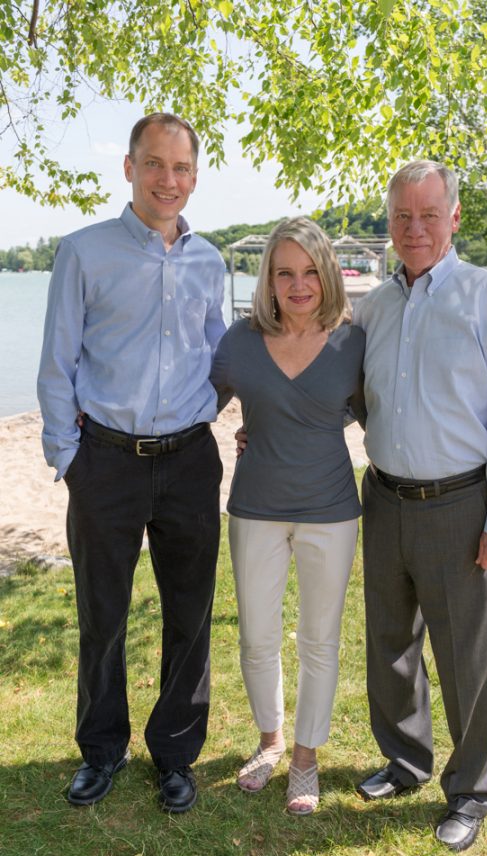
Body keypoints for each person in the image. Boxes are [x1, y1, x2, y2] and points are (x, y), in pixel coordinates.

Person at [37, 113, 226, 814]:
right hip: (105, 464)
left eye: (181, 168)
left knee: (189, 615)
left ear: (195, 176)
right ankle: (102, 750)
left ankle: (175, 754)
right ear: (129, 168)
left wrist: (222, 415)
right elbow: (57, 363)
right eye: (155, 164)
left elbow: (220, 355)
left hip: (188, 462)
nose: (167, 180)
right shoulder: (83, 252)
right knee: (103, 615)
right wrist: (69, 457)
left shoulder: (210, 261)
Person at [353, 160, 487, 851]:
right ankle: (405, 761)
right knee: (390, 643)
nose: (415, 229)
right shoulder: (374, 306)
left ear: (454, 218)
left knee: (467, 657)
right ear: (390, 222)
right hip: (385, 498)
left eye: (429, 215)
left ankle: (472, 790)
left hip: (461, 503)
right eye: (403, 217)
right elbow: (342, 392)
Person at [210, 217, 365, 814]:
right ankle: (269, 741)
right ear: (268, 281)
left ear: (326, 275)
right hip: (256, 509)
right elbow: (194, 405)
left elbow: (365, 408)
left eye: (309, 272)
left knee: (319, 639)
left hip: (331, 510)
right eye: (285, 273)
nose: (299, 285)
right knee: (257, 637)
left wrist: (308, 426)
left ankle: (305, 756)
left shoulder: (354, 341)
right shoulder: (239, 341)